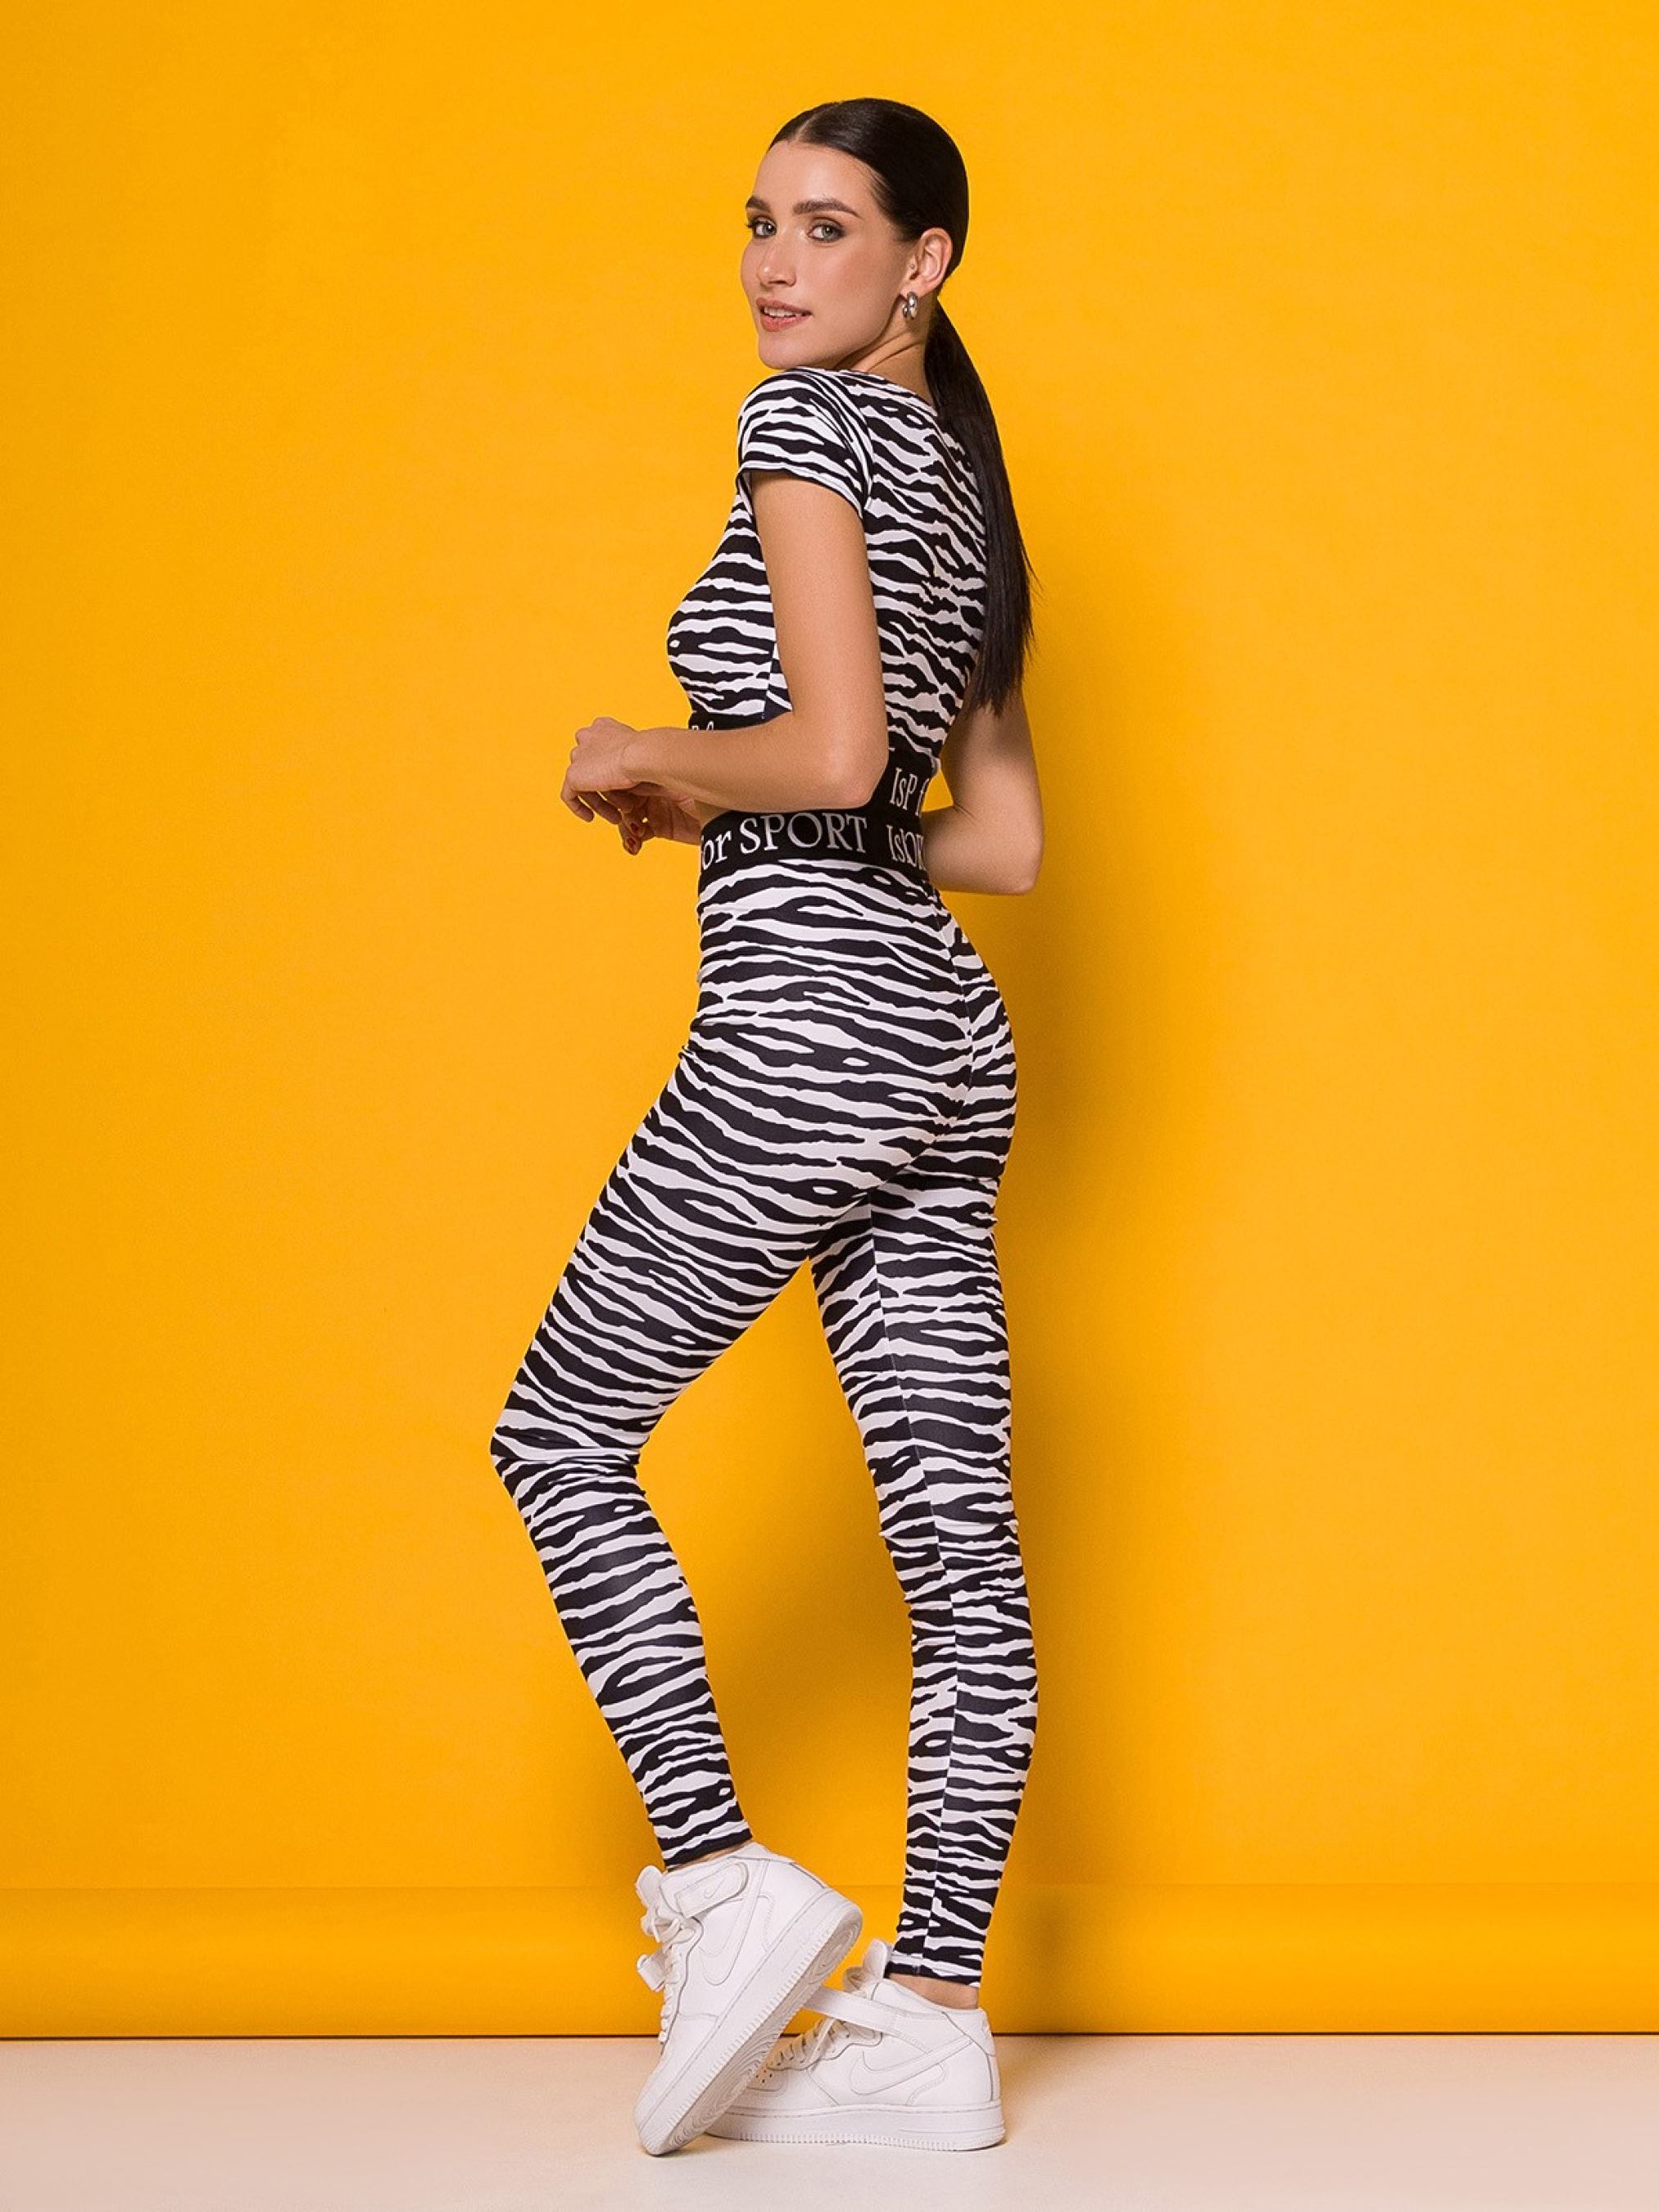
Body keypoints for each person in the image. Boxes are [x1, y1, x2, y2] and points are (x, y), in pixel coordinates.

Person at [489, 95, 1044, 2155]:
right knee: (955, 1544)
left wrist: (647, 745)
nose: (771, 263)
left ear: (922, 261)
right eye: (756, 221)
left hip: (811, 1026)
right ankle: (932, 2021)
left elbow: (821, 746)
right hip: (941, 1041)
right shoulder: (969, 487)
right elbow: (989, 840)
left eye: (824, 225)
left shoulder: (800, 426)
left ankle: (721, 1885)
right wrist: (720, 799)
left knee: (556, 1436)